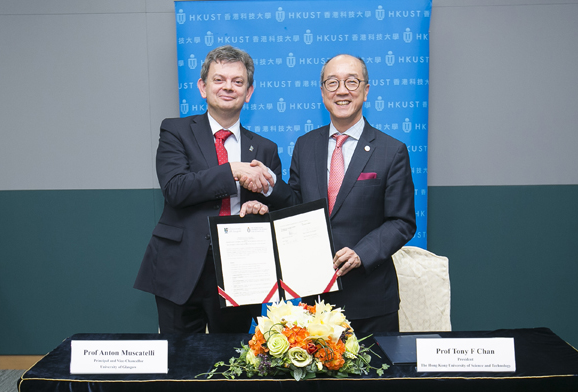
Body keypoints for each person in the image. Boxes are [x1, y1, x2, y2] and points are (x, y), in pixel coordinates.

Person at [245, 54, 416, 332]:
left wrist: (362, 252)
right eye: (332, 82)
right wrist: (269, 190)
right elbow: (296, 207)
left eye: (352, 81)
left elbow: (402, 221)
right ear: (323, 92)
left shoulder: (391, 151)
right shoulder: (305, 145)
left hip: (370, 301)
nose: (342, 90)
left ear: (366, 89)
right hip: (315, 301)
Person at [134, 45, 279, 334]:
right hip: (180, 266)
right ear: (202, 87)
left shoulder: (265, 148)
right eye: (219, 79)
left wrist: (260, 208)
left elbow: (273, 209)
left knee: (233, 361)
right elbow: (176, 188)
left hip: (239, 269)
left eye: (238, 82)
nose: (228, 87)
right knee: (179, 364)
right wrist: (233, 171)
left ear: (248, 92)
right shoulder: (175, 131)